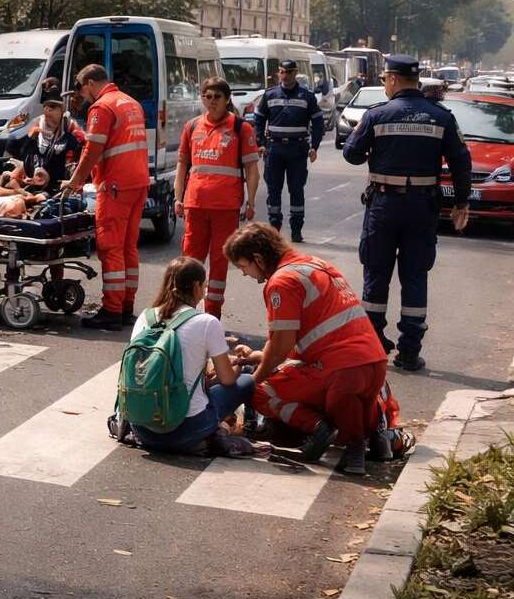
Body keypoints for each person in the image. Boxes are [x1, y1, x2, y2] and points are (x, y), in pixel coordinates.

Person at [341, 54, 472, 372]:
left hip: (384, 207)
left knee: (376, 272)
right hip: (423, 208)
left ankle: (373, 345)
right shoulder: (441, 117)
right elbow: (461, 161)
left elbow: (351, 154)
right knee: (415, 276)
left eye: (385, 79)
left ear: (392, 79)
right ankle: (410, 352)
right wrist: (461, 203)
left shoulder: (377, 114)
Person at [224, 223, 388, 475]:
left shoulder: (281, 282)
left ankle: (322, 428)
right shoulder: (315, 264)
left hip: (340, 372)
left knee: (260, 392)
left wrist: (251, 383)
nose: (246, 274)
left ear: (258, 258)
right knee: (352, 396)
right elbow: (307, 340)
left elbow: (280, 348)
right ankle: (373, 435)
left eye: (244, 266)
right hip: (373, 365)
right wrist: (259, 356)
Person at [119, 257, 257, 456]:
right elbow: (227, 379)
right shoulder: (207, 322)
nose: (205, 290)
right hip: (187, 429)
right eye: (204, 285)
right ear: (196, 286)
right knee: (246, 380)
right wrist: (238, 364)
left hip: (142, 427)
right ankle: (246, 427)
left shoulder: (146, 317)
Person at [60, 64, 150, 331]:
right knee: (128, 247)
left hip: (115, 186)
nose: (81, 93)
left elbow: (92, 151)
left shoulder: (102, 107)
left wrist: (75, 182)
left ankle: (112, 310)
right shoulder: (130, 103)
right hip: (137, 183)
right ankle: (125, 307)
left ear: (89, 83)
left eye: (79, 86)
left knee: (111, 247)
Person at [173, 77, 261, 319]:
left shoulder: (240, 128)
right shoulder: (192, 127)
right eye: (207, 96)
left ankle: (212, 314)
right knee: (190, 260)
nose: (211, 102)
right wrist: (177, 197)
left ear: (227, 99)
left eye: (217, 97)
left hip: (226, 206)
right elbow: (182, 165)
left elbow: (252, 169)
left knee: (220, 263)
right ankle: (185, 312)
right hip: (195, 204)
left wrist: (251, 201)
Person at [252, 59, 325, 241]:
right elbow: (258, 121)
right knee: (273, 190)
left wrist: (314, 147)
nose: (286, 76)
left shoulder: (306, 96)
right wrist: (260, 143)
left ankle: (296, 229)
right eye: (282, 72)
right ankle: (274, 228)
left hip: (297, 150)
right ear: (279, 73)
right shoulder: (269, 95)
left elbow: (318, 123)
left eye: (290, 72)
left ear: (295, 73)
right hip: (274, 150)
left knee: (296, 189)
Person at [7, 91, 84, 191]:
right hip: (36, 174)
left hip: (59, 180)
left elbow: (83, 147)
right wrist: (30, 137)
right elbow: (15, 145)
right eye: (46, 107)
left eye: (53, 107)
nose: (48, 109)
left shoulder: (70, 127)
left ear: (62, 111)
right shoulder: (37, 124)